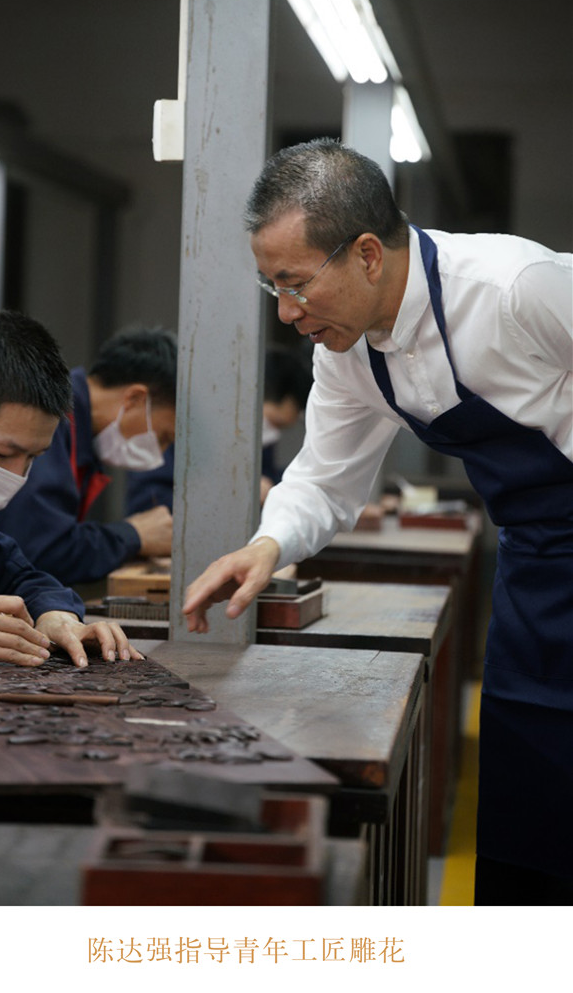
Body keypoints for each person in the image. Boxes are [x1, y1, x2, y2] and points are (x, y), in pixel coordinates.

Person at [182, 139, 573, 905]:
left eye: (295, 284)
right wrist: (269, 545)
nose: (289, 314)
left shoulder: (517, 288)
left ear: (366, 254)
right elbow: (326, 480)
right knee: (533, 807)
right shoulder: (349, 352)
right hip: (536, 578)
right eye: (273, 289)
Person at [0, 307, 141, 669]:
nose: (14, 476)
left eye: (32, 458)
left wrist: (55, 615)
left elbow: (19, 575)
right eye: (3, 452)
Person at [0, 326, 177, 585]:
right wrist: (134, 535)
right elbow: (39, 551)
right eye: (164, 436)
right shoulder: (50, 419)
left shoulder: (83, 438)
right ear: (134, 398)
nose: (161, 452)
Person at [124, 343, 313, 514]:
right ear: (250, 397)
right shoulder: (182, 431)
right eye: (274, 423)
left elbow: (267, 480)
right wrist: (236, 491)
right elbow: (147, 504)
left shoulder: (258, 439)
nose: (271, 433)